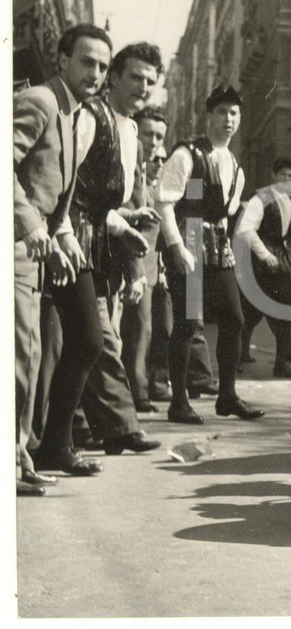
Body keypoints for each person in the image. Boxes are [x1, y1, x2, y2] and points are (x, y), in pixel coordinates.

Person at [35, 41, 164, 471]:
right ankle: (68, 437)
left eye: (149, 81)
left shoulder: (129, 130)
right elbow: (68, 187)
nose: (142, 87)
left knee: (93, 339)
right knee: (84, 340)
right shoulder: (91, 119)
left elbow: (107, 199)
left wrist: (124, 221)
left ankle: (88, 431)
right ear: (115, 78)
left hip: (97, 243)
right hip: (69, 240)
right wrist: (102, 226)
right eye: (134, 78)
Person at [13, 24, 111, 492]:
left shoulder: (75, 114)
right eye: (87, 62)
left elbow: (54, 187)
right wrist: (32, 224)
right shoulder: (41, 101)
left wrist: (62, 231)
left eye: (102, 66)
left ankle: (26, 456)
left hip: (41, 246)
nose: (95, 73)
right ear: (62, 59)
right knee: (17, 356)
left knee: (27, 354)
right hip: (15, 243)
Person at [155, 84, 263, 423]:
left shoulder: (235, 164)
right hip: (188, 242)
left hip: (217, 246)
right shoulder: (188, 154)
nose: (228, 119)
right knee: (187, 324)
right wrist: (175, 245)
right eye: (222, 112)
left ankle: (227, 397)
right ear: (209, 116)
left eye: (234, 113)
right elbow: (164, 201)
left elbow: (226, 211)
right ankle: (179, 403)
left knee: (234, 318)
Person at [120, 108, 168, 412]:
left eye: (159, 136)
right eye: (148, 133)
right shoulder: (130, 170)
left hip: (148, 268)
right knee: (136, 333)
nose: (153, 142)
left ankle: (137, 391)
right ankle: (136, 394)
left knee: (143, 332)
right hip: (130, 264)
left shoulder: (151, 181)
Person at [237, 158, 291, 378]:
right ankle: (239, 356)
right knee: (249, 312)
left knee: (284, 310)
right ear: (274, 176)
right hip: (260, 262)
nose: (287, 180)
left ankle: (281, 362)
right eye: (283, 175)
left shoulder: (287, 201)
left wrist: (283, 253)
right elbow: (246, 229)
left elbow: (281, 233)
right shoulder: (261, 198)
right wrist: (264, 254)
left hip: (279, 260)